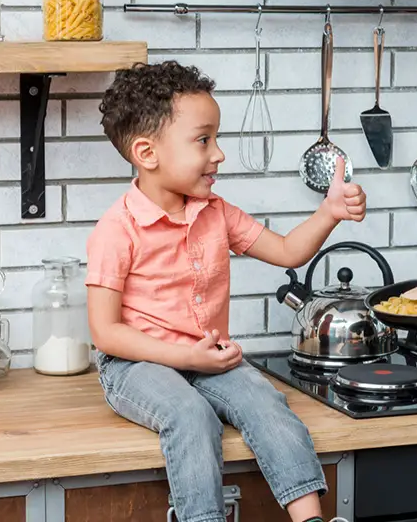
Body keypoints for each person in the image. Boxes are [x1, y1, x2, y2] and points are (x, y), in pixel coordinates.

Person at [85, 61, 364, 522]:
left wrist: (329, 212)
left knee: (265, 400)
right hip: (135, 365)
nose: (219, 154)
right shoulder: (117, 230)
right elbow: (106, 333)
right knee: (190, 415)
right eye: (203, 140)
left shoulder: (215, 212)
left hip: (207, 357)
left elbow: (289, 251)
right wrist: (188, 359)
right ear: (146, 152)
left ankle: (312, 519)